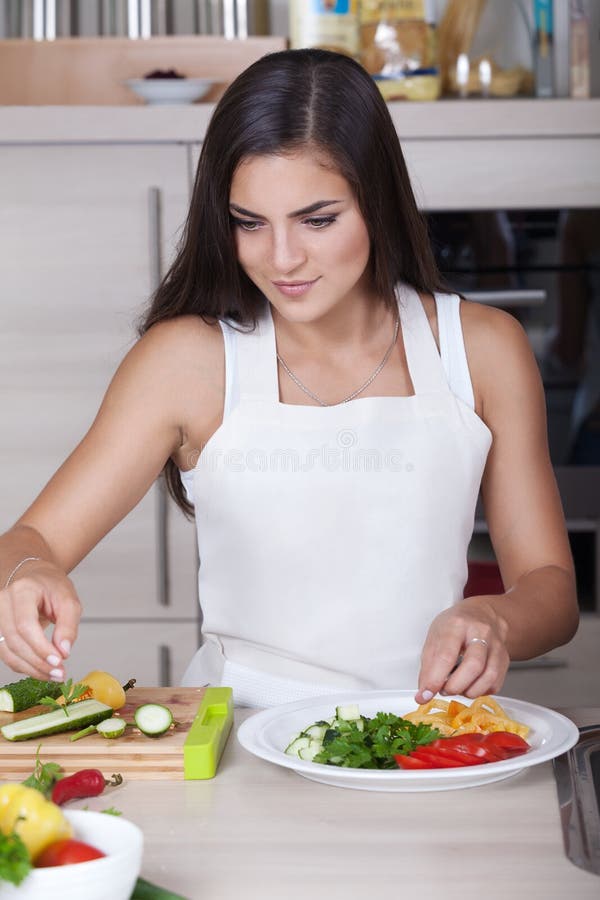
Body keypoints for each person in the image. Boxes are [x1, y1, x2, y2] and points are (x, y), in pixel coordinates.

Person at [0, 49, 578, 708]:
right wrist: (27, 573)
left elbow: (551, 586)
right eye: (250, 223)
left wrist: (494, 619)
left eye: (318, 219)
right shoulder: (186, 362)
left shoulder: (481, 349)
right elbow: (29, 540)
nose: (281, 259)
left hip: (423, 742)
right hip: (235, 752)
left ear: (377, 203)